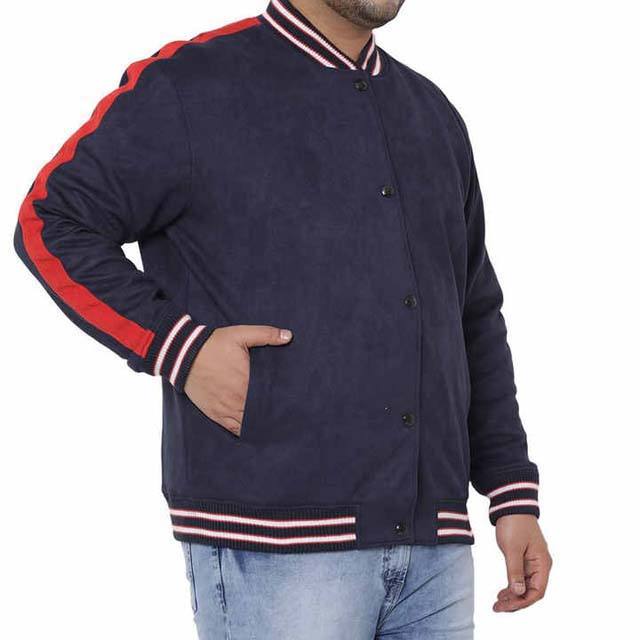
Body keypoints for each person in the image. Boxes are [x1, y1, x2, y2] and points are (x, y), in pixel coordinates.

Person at [14, 1, 552, 637]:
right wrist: (179, 348)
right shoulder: (191, 84)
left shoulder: (431, 114)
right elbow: (51, 221)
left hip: (436, 546)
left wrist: (510, 492)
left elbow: (471, 312)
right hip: (276, 543)